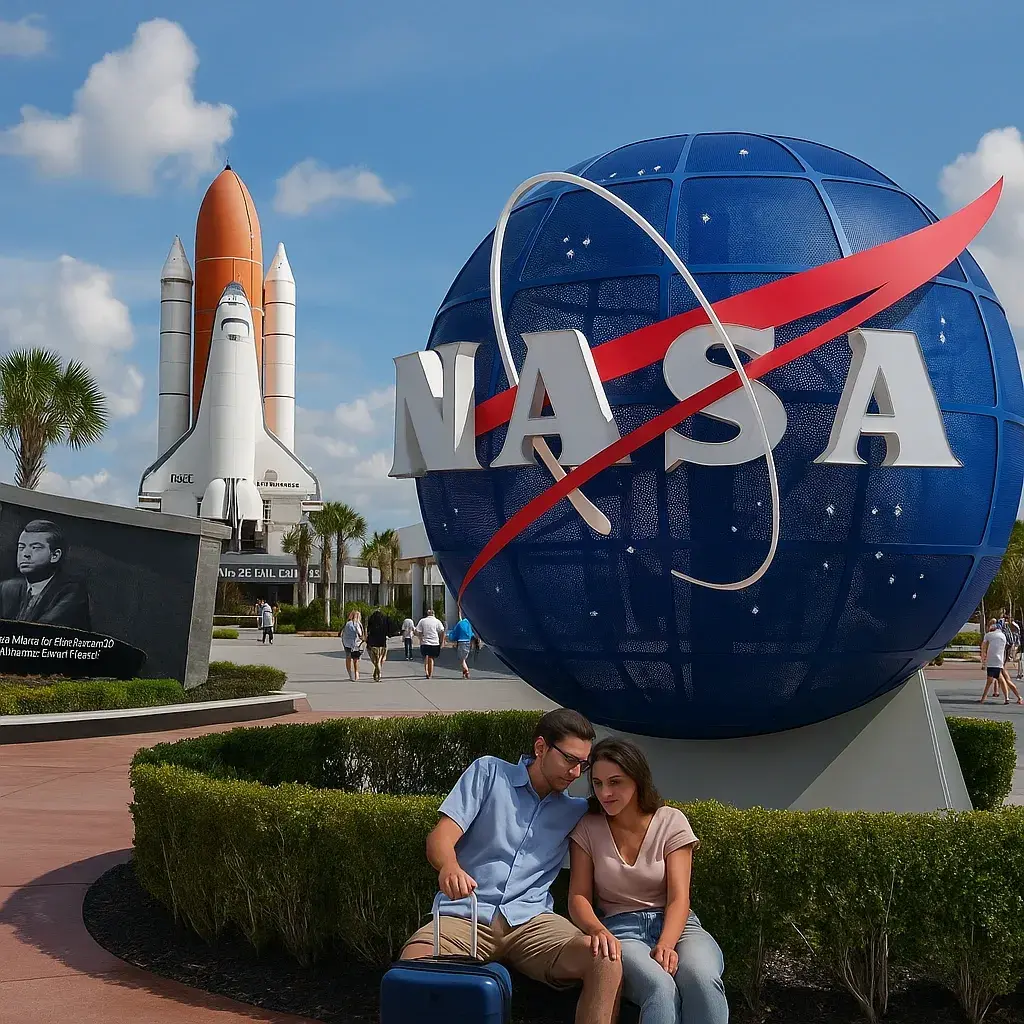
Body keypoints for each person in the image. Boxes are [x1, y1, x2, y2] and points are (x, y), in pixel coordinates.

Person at [400, 709, 622, 1024]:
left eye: (583, 765)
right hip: (467, 915)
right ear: (541, 748)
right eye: (570, 760)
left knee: (605, 958)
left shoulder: (576, 811)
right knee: (413, 964)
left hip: (532, 923)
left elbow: (629, 814)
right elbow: (440, 838)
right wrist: (449, 866)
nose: (576, 774)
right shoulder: (489, 774)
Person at [568, 739, 728, 1024]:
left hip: (679, 928)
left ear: (637, 779)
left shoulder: (670, 821)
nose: (605, 792)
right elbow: (578, 895)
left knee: (701, 979)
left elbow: (679, 897)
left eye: (615, 782)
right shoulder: (588, 827)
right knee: (660, 987)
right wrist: (597, 929)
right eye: (598, 783)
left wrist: (666, 943)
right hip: (622, 932)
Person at [0, 519, 91, 631]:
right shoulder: (6, 589)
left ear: (55, 556)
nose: (25, 554)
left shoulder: (72, 592)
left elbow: (41, 632)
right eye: (21, 547)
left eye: (35, 548)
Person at [980, 618, 1011, 703]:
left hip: (991, 660)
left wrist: (983, 660)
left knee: (989, 680)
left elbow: (983, 647)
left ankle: (983, 698)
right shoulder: (1003, 636)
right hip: (1000, 660)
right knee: (1001, 678)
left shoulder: (988, 635)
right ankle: (1007, 697)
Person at [415, 607, 445, 679]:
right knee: (431, 658)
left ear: (427, 614)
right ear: (434, 614)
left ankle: (426, 672)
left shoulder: (422, 621)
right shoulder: (437, 621)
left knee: (426, 657)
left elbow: (417, 631)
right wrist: (442, 641)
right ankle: (430, 674)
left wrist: (420, 637)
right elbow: (442, 631)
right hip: (434, 642)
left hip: (425, 642)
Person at [366, 606, 393, 682]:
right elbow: (389, 630)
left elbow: (368, 630)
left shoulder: (371, 619)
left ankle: (377, 673)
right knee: (380, 659)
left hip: (372, 642)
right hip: (382, 642)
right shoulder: (384, 620)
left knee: (375, 660)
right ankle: (378, 673)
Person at [447, 613, 475, 679]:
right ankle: (464, 673)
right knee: (464, 658)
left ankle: (467, 671)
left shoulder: (459, 624)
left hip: (461, 642)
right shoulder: (469, 624)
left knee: (462, 659)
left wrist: (451, 637)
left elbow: (455, 633)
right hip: (468, 642)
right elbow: (471, 634)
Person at [341, 609, 364, 681]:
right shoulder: (357, 624)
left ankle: (350, 674)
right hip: (356, 644)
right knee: (355, 659)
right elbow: (360, 634)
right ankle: (356, 673)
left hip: (347, 643)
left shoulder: (347, 623)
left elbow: (342, 633)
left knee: (348, 658)